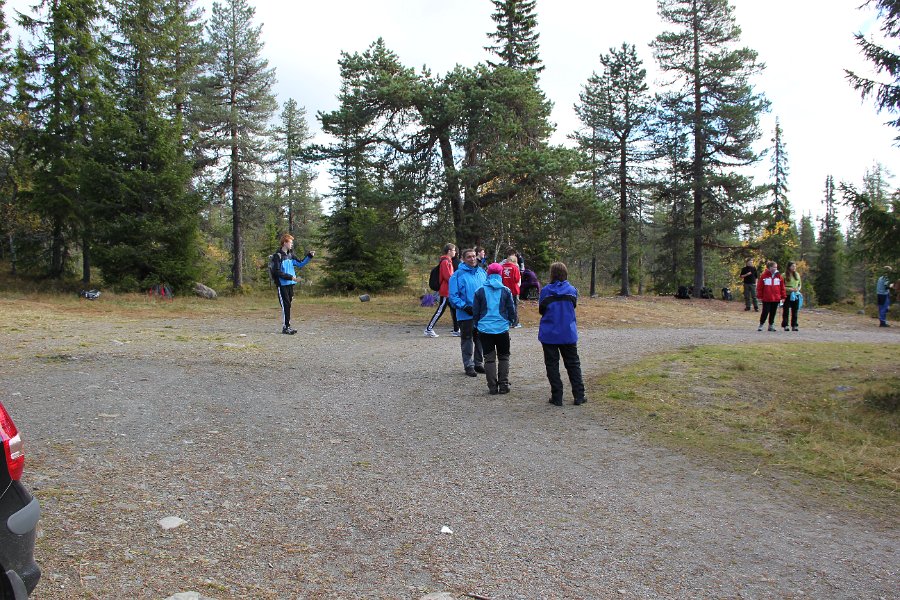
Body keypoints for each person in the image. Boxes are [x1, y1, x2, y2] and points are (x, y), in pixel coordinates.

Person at [538, 262, 586, 406]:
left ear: (552, 274)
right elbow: (573, 305)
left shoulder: (545, 291)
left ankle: (557, 396)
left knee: (552, 365)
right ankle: (579, 395)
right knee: (573, 364)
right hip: (567, 333)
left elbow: (541, 310)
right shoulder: (572, 290)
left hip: (549, 334)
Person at [473, 263, 517, 394]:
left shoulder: (479, 291)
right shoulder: (506, 290)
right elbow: (511, 310)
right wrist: (512, 321)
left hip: (485, 329)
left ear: (488, 274)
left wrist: (477, 324)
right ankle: (503, 385)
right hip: (502, 328)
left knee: (489, 358)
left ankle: (492, 387)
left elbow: (475, 312)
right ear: (500, 274)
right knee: (504, 357)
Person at [449, 248, 487, 376]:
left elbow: (487, 290)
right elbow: (453, 296)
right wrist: (465, 307)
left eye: (473, 256)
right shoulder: (457, 275)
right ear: (463, 259)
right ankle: (468, 365)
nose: (472, 259)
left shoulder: (482, 272)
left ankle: (478, 363)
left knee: (480, 339)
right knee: (467, 339)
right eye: (469, 257)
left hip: (481, 313)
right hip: (465, 314)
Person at [273, 233, 315, 334]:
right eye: (290, 242)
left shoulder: (291, 255)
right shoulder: (277, 256)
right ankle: (286, 327)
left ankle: (287, 326)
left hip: (290, 284)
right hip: (282, 285)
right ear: (284, 243)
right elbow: (277, 272)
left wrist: (309, 256)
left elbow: (300, 263)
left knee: (288, 305)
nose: (292, 244)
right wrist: (290, 277)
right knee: (285, 305)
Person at [424, 243, 460, 337]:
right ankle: (429, 329)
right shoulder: (445, 262)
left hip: (449, 290)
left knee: (454, 309)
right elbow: (447, 276)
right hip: (446, 290)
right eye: (454, 250)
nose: (455, 252)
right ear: (449, 251)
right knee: (440, 310)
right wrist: (456, 281)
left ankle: (456, 329)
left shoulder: (448, 261)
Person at [756, 260, 785, 332]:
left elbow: (782, 287)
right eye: (774, 267)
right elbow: (760, 287)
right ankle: (761, 324)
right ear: (769, 267)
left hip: (776, 298)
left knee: (773, 312)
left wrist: (783, 297)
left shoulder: (779, 276)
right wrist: (759, 296)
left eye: (776, 267)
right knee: (765, 312)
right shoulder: (764, 276)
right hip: (766, 298)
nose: (775, 268)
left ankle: (771, 325)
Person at [500, 247, 522, 328]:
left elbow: (500, 278)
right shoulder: (515, 268)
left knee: (504, 306)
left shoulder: (501, 267)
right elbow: (517, 279)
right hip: (513, 290)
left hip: (504, 290)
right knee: (514, 306)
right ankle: (515, 322)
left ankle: (506, 321)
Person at [780, 261, 802, 331]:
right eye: (793, 266)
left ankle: (794, 325)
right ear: (789, 267)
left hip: (795, 295)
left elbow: (799, 284)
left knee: (795, 310)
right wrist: (789, 289)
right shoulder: (784, 275)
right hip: (787, 295)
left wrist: (798, 289)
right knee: (786, 311)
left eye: (795, 266)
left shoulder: (797, 274)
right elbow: (781, 286)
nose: (794, 267)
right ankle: (785, 325)